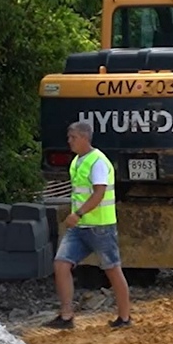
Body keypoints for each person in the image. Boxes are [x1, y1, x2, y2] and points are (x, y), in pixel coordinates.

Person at [46, 121, 132, 329]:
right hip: (81, 227)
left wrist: (78, 213)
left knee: (112, 270)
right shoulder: (77, 161)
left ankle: (125, 317)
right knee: (61, 264)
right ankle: (66, 315)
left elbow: (99, 192)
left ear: (85, 138)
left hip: (100, 226)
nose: (69, 141)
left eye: (73, 137)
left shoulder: (98, 162)